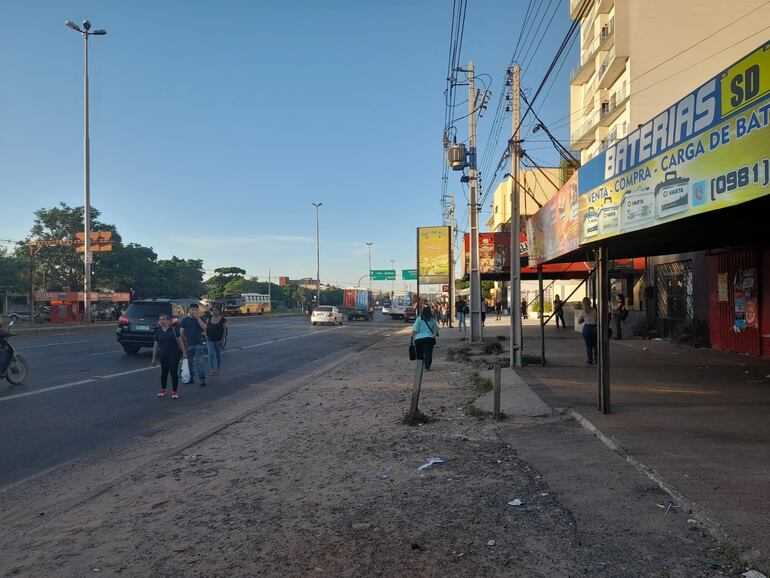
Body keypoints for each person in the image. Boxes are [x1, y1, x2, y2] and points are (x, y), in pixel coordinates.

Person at [152, 313, 186, 399]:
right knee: (164, 373)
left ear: (168, 321)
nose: (161, 321)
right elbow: (156, 346)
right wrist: (153, 359)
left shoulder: (174, 330)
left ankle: (175, 391)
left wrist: (184, 352)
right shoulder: (158, 332)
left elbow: (180, 341)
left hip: (174, 354)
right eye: (160, 320)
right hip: (163, 355)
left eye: (163, 319)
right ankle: (163, 390)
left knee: (173, 372)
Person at [180, 304, 208, 386]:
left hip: (198, 344)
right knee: (190, 363)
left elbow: (205, 327)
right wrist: (184, 340)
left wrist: (198, 317)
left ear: (198, 310)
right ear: (189, 310)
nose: (194, 311)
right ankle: (191, 378)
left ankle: (202, 379)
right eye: (192, 309)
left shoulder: (200, 318)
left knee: (200, 362)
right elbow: (181, 332)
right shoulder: (185, 320)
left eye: (196, 309)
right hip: (189, 344)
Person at [411, 306, 439, 371]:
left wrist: (412, 336)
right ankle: (427, 367)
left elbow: (415, 329)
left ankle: (420, 366)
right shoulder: (432, 319)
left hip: (419, 339)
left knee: (420, 353)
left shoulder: (419, 319)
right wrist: (436, 333)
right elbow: (436, 330)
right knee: (428, 353)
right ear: (430, 312)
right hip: (429, 338)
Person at [206, 306, 228, 376]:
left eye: (215, 310)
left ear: (219, 311)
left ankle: (218, 369)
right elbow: (205, 328)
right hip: (210, 340)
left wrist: (223, 339)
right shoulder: (209, 318)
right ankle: (211, 370)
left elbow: (225, 330)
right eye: (213, 310)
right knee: (210, 354)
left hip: (218, 340)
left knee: (218, 355)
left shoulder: (223, 320)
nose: (214, 312)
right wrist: (206, 336)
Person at [578, 297, 598, 364]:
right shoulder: (594, 310)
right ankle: (596, 359)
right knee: (595, 345)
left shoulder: (583, 312)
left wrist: (584, 319)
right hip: (594, 328)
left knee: (588, 346)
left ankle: (590, 359)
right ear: (590, 303)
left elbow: (579, 321)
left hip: (587, 329)